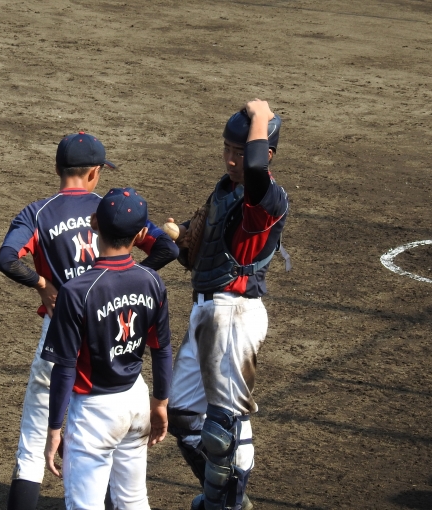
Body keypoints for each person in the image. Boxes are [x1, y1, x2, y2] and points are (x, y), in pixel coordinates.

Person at [0, 133, 178, 510]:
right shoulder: (113, 208)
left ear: (57, 168)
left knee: (36, 440)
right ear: (95, 172)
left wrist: (43, 284)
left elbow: (7, 258)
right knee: (124, 458)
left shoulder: (38, 213)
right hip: (113, 331)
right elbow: (168, 246)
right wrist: (130, 277)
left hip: (60, 334)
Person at [165, 99, 289, 510]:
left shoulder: (266, 198)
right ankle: (228, 498)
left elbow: (254, 170)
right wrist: (169, 236)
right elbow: (201, 246)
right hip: (206, 311)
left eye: (240, 151)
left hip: (235, 311)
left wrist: (261, 116)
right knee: (184, 416)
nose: (232, 160)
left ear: (267, 153)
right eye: (227, 150)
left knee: (223, 426)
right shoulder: (224, 192)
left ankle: (226, 503)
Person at [42, 187, 172, 510]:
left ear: (94, 223)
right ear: (140, 234)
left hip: (94, 411)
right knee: (133, 500)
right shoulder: (152, 281)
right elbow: (161, 349)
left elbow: (65, 367)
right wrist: (160, 403)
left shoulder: (76, 291)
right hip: (136, 400)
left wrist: (54, 428)